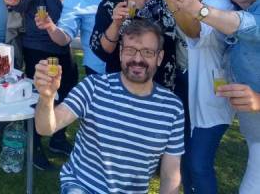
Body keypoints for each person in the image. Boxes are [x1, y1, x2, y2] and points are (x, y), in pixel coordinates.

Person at [34, 19, 184, 194]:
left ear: (159, 57)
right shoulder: (94, 87)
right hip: (82, 187)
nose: (137, 59)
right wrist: (46, 97)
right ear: (120, 53)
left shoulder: (172, 108)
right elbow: (46, 127)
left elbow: (170, 175)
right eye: (130, 50)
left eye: (147, 52)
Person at [165, 0, 260, 194]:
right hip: (254, 132)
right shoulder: (240, 8)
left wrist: (198, 9)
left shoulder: (242, 14)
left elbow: (243, 24)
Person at [162, 0, 234, 194]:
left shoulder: (221, 0)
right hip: (183, 85)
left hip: (211, 90)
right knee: (184, 161)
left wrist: (174, 6)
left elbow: (195, 33)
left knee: (199, 163)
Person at [4, 0, 78, 170]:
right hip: (39, 49)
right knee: (39, 99)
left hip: (63, 45)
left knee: (67, 93)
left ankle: (58, 138)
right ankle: (34, 147)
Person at [90, 0, 178, 90]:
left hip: (162, 87)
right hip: (122, 88)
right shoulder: (110, 5)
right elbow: (101, 52)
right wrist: (116, 24)